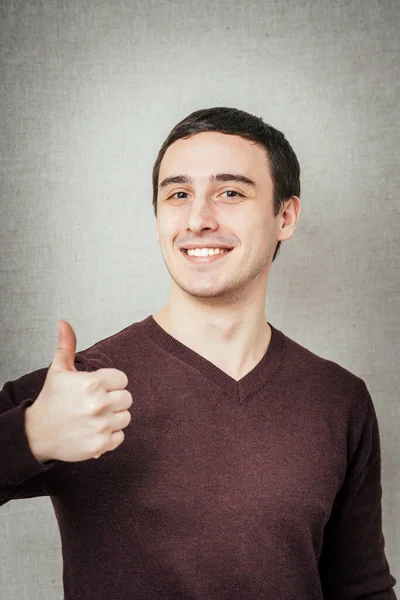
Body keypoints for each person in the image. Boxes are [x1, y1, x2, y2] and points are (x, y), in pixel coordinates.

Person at [0, 107, 397, 600]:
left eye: (230, 193)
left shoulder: (339, 400)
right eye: (179, 194)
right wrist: (29, 435)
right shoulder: (82, 389)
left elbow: (360, 588)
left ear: (286, 216)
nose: (198, 218)